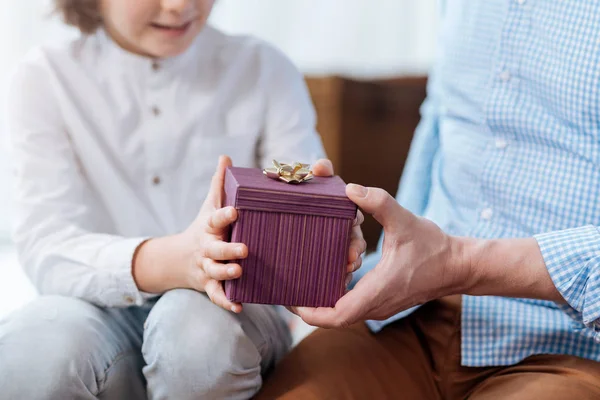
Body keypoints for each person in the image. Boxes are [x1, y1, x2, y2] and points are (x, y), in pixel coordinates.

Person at [0, 1, 364, 399]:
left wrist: (328, 236)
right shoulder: (44, 78)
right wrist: (180, 259)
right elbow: (47, 247)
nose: (179, 6)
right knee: (35, 351)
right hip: (91, 309)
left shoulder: (264, 68)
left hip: (233, 308)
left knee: (197, 337)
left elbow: (305, 196)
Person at [256, 1, 600, 399]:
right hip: (411, 317)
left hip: (570, 346)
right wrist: (385, 260)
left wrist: (458, 262)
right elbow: (442, 116)